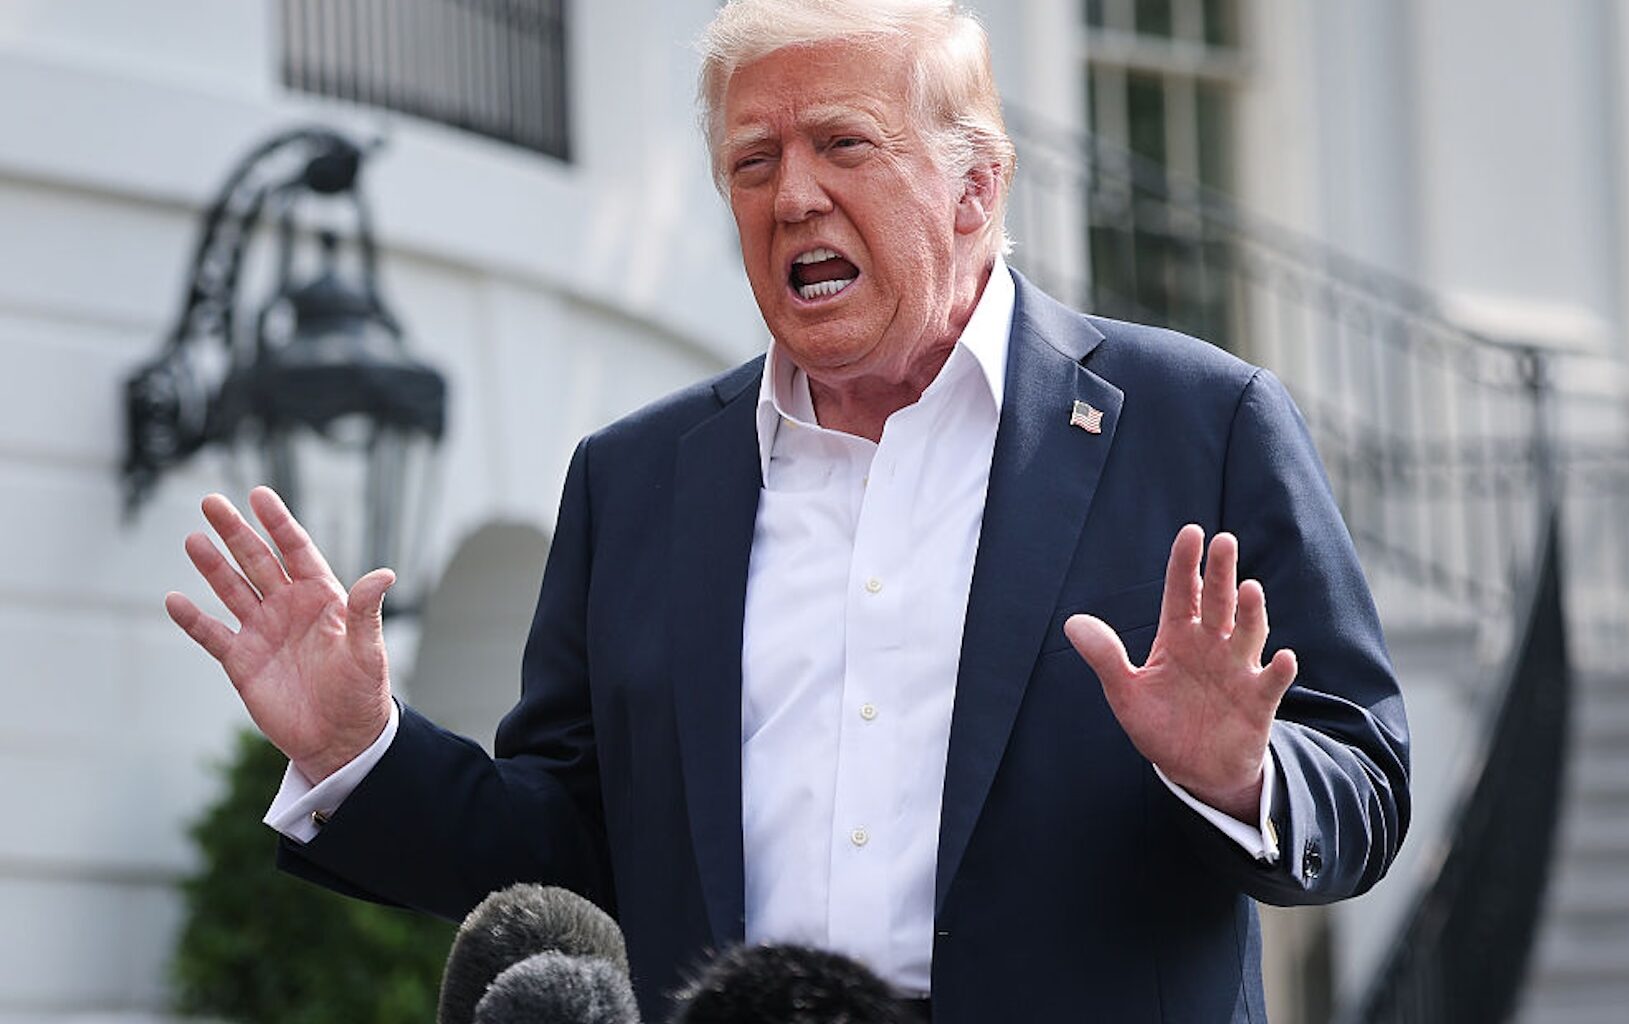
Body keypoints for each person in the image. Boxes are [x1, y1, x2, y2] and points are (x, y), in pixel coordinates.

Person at [166, 1, 1410, 1020]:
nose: (793, 196)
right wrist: (361, 751)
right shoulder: (635, 480)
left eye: (843, 145)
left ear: (976, 189)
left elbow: (1363, 774)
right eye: (752, 163)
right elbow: (570, 846)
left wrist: (1243, 776)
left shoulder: (1200, 423)